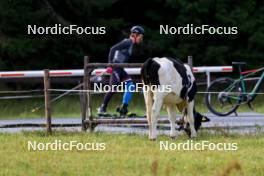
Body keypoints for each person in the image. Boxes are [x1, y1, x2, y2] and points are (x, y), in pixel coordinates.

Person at [97, 26, 144, 116]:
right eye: (140, 37)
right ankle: (102, 108)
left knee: (130, 86)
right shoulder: (127, 42)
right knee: (113, 88)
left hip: (120, 69)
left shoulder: (130, 44)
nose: (141, 39)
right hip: (116, 67)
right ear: (135, 35)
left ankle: (124, 108)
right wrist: (110, 64)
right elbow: (112, 49)